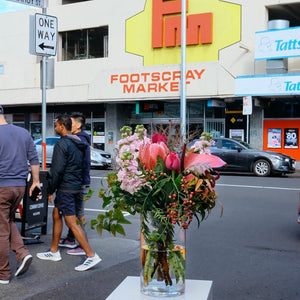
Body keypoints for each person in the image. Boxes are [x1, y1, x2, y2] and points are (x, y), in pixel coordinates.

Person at [36, 114, 101, 271]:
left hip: (65, 188)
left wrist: (49, 190)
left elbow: (57, 171)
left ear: (62, 127)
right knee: (56, 215)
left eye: (57, 125)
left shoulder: (62, 144)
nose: (56, 127)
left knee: (71, 222)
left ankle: (91, 256)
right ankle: (53, 251)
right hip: (74, 186)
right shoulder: (78, 142)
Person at [0, 105, 41, 284]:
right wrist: (36, 182)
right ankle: (22, 253)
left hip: (1, 187)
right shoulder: (23, 133)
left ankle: (3, 274)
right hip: (19, 186)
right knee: (8, 221)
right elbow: (34, 159)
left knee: (1, 230)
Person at [59, 112, 91, 256]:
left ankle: (81, 245)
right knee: (71, 212)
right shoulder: (80, 138)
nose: (68, 125)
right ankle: (71, 239)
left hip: (78, 182)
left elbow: (82, 163)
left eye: (71, 122)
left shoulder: (80, 140)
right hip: (78, 181)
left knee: (77, 214)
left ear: (78, 125)